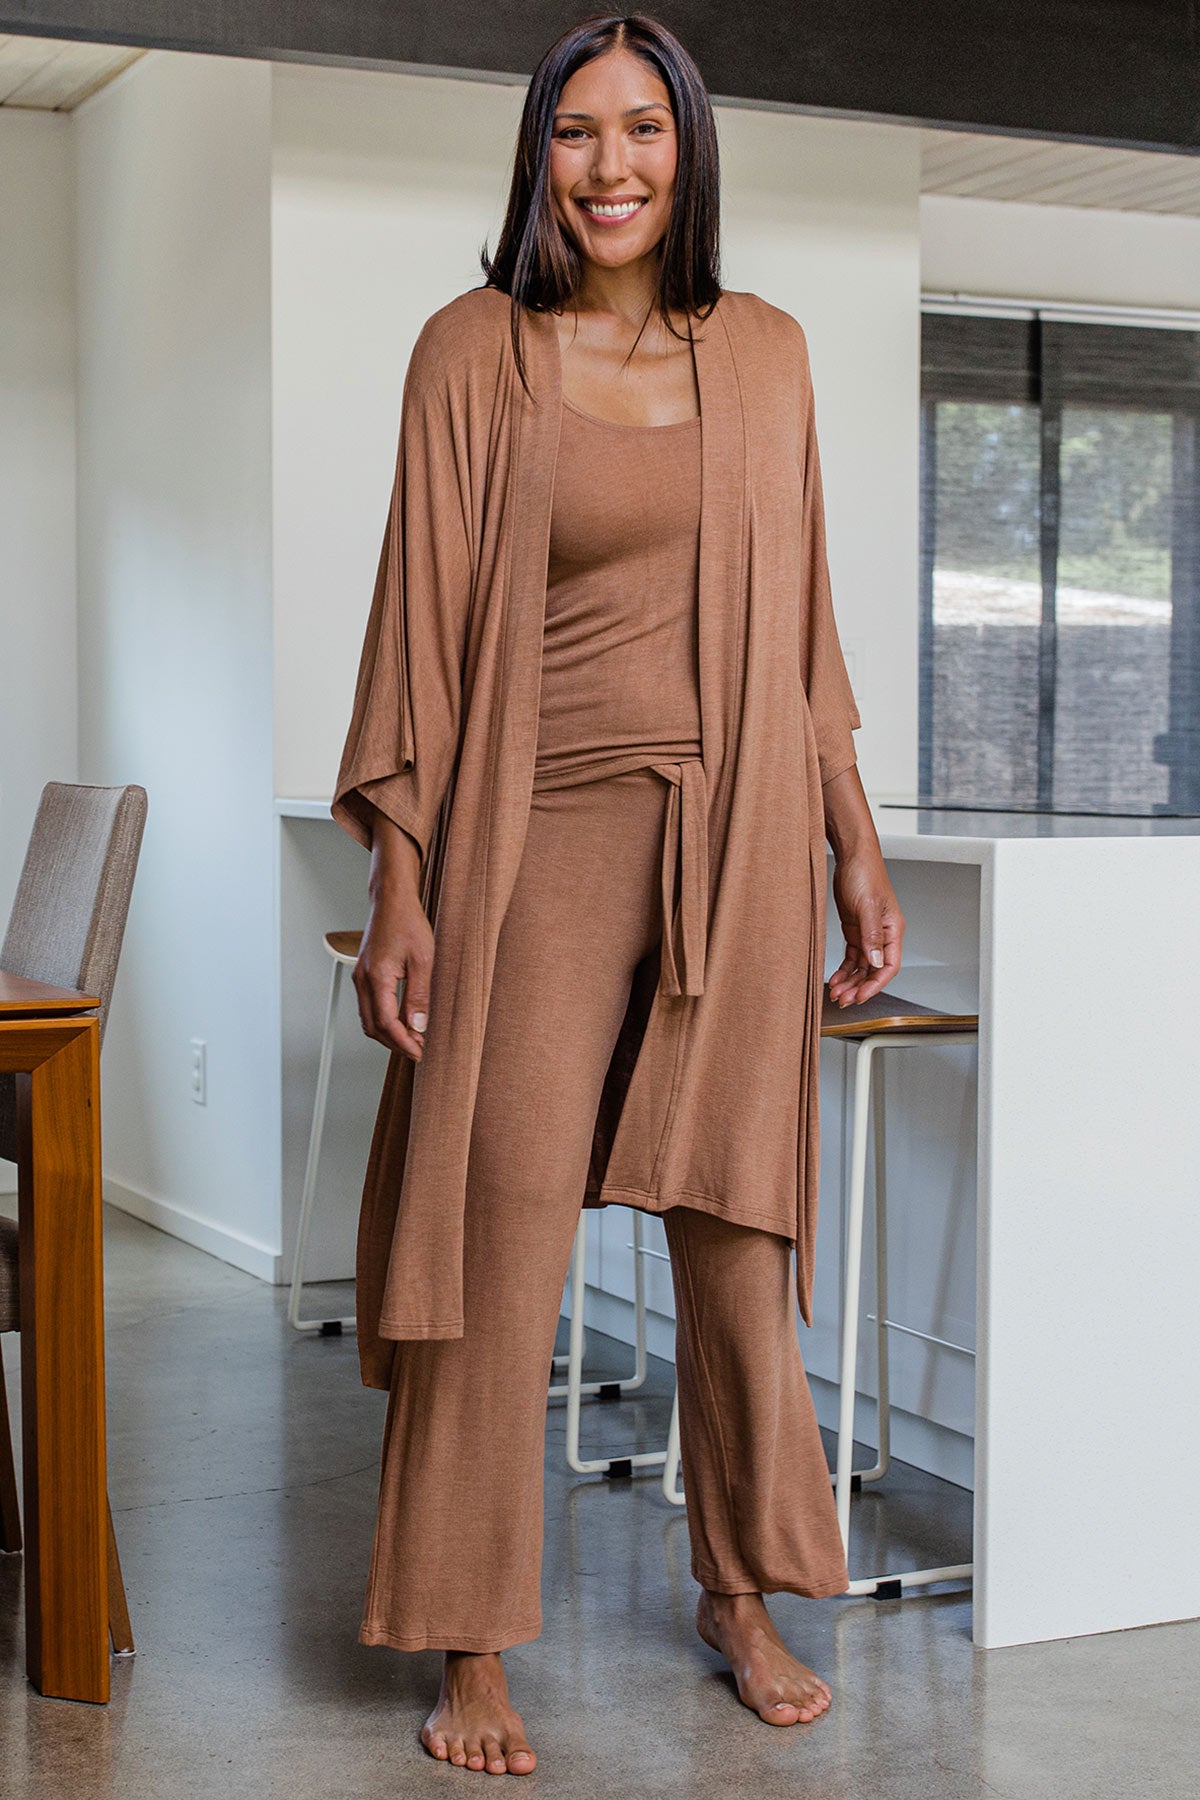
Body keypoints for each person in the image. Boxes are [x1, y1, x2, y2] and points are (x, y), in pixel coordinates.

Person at [332, 11, 904, 1777]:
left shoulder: (773, 357)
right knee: (503, 1236)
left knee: (734, 1230)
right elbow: (419, 629)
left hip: (735, 838)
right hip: (533, 838)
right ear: (537, 156)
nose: (610, 168)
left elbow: (801, 634)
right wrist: (409, 882)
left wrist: (852, 837)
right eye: (576, 133)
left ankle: (743, 1591)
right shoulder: (472, 353)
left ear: (690, 147)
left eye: (642, 130)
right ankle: (473, 1635)